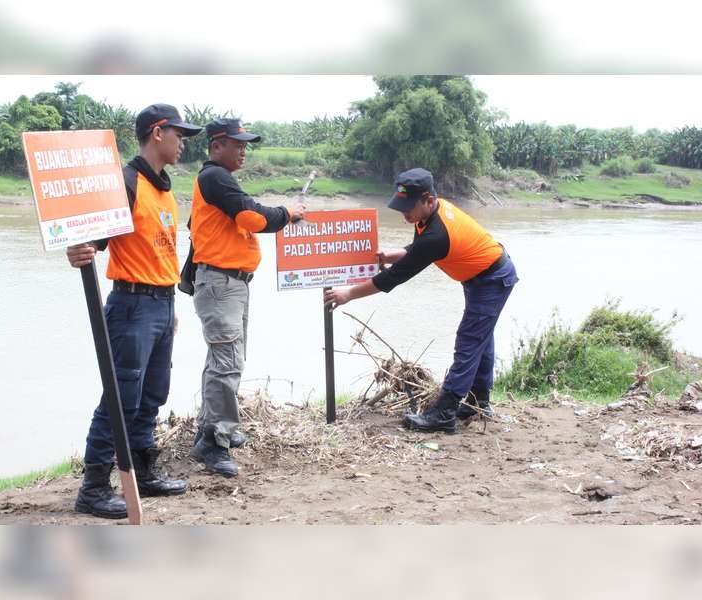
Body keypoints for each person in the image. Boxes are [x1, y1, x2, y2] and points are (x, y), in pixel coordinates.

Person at [65, 104, 202, 518]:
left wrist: (169, 307)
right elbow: (93, 239)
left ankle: (143, 473)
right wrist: (79, 249)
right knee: (120, 399)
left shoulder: (163, 188)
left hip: (161, 303)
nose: (182, 143)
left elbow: (163, 252)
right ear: (158, 133)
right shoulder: (125, 184)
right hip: (131, 306)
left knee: (152, 394)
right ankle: (93, 489)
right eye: (179, 135)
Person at [323, 167, 518, 433]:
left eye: (408, 208)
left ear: (428, 199)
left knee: (470, 341)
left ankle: (444, 413)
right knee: (480, 339)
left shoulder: (438, 233)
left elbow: (393, 278)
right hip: (480, 276)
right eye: (401, 207)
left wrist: (348, 294)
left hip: (492, 280)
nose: (404, 214)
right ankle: (478, 402)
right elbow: (417, 249)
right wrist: (390, 255)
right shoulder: (431, 214)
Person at [188, 118, 306, 477]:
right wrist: (288, 214)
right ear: (216, 146)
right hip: (221, 284)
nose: (243, 151)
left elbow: (246, 209)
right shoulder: (215, 177)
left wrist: (280, 213)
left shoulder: (220, 178)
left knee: (226, 359)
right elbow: (252, 217)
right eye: (236, 144)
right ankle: (214, 443)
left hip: (229, 283)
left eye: (245, 145)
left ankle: (213, 428)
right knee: (227, 361)